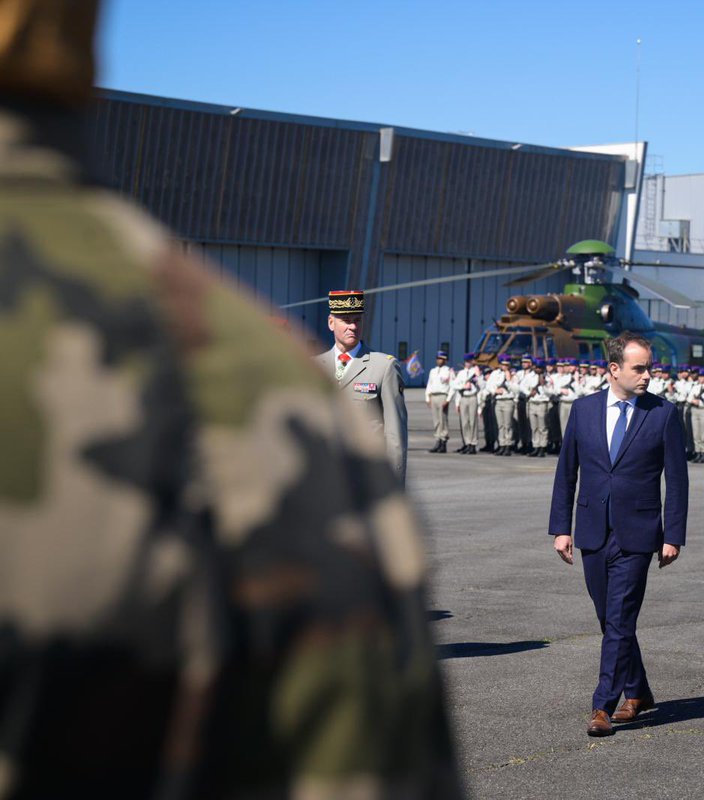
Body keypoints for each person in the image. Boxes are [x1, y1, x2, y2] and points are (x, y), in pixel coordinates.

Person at [0, 4, 459, 794]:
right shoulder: (273, 372)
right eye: (340, 316)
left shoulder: (356, 369)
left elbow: (393, 438)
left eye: (354, 316)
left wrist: (388, 488)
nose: (347, 324)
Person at [548, 332, 689, 737]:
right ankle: (639, 690)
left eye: (649, 367)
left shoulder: (662, 413)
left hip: (639, 535)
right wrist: (561, 528)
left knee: (621, 618)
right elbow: (566, 473)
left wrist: (673, 535)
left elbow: (677, 483)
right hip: (592, 530)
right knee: (610, 620)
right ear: (614, 369)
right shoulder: (584, 410)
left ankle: (602, 705)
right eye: (639, 368)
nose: (647, 375)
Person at [316, 290, 409, 485]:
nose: (352, 326)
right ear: (331, 323)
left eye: (357, 320)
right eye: (346, 320)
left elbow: (395, 436)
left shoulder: (383, 366)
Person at [450, 352, 482, 454]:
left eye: (470, 361)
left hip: (472, 397)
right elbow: (454, 385)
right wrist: (463, 387)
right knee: (464, 422)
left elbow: (482, 386)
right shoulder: (461, 373)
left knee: (473, 422)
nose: (468, 363)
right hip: (463, 397)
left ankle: (473, 444)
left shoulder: (475, 372)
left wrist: (479, 376)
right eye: (466, 362)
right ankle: (467, 443)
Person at [425, 350, 454, 453]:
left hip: (443, 396)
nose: (439, 360)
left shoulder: (449, 371)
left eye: (441, 359)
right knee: (436, 421)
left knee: (443, 420)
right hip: (434, 396)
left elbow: (452, 386)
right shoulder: (433, 371)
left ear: (445, 360)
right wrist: (427, 398)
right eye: (438, 358)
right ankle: (437, 440)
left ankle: (443, 441)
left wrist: (448, 399)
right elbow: (429, 384)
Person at [489, 355, 517, 456]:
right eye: (502, 364)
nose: (504, 366)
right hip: (498, 400)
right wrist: (495, 390)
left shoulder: (513, 375)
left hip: (508, 401)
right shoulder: (495, 374)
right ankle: (501, 444)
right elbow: (489, 385)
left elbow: (516, 390)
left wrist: (509, 380)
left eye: (506, 364)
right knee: (500, 425)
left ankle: (508, 445)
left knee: (507, 425)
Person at [688, 367, 704, 464]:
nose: (700, 378)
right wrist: (694, 401)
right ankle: (698, 452)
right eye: (699, 376)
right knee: (696, 433)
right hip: (695, 410)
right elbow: (689, 398)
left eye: (702, 376)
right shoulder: (695, 386)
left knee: (703, 433)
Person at [527, 359, 552, 457]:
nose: (537, 369)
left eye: (539, 368)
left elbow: (550, 392)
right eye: (536, 367)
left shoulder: (548, 378)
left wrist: (544, 385)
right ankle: (536, 446)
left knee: (542, 427)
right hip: (533, 402)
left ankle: (542, 447)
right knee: (534, 427)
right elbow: (523, 386)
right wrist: (529, 393)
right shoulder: (530, 377)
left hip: (542, 403)